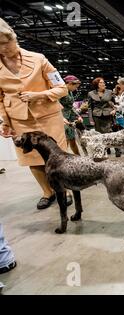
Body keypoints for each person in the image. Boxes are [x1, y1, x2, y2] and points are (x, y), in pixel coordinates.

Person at [0, 17, 69, 210]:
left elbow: (62, 88)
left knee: (58, 157)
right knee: (31, 158)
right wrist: (5, 121)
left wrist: (39, 95)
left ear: (14, 38)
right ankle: (47, 192)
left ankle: (65, 190)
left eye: (6, 43)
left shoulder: (39, 59)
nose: (4, 48)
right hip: (19, 120)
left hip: (49, 117)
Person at [60, 75, 82, 155]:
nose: (76, 89)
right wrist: (61, 118)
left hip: (69, 119)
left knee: (72, 139)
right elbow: (55, 105)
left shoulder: (70, 92)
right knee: (65, 141)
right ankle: (62, 159)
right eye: (75, 87)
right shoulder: (61, 91)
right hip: (62, 119)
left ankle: (78, 157)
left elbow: (71, 107)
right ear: (69, 84)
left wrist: (78, 116)